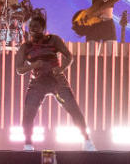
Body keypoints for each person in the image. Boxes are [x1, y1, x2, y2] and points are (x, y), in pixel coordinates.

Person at [15, 13, 95, 151]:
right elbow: (19, 70)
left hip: (57, 81)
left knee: (74, 110)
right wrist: (32, 66)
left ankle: (87, 142)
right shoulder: (25, 47)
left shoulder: (54, 40)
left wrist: (62, 68)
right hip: (37, 83)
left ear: (43, 28)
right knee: (28, 114)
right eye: (31, 26)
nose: (33, 29)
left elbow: (69, 56)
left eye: (36, 26)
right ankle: (28, 145)